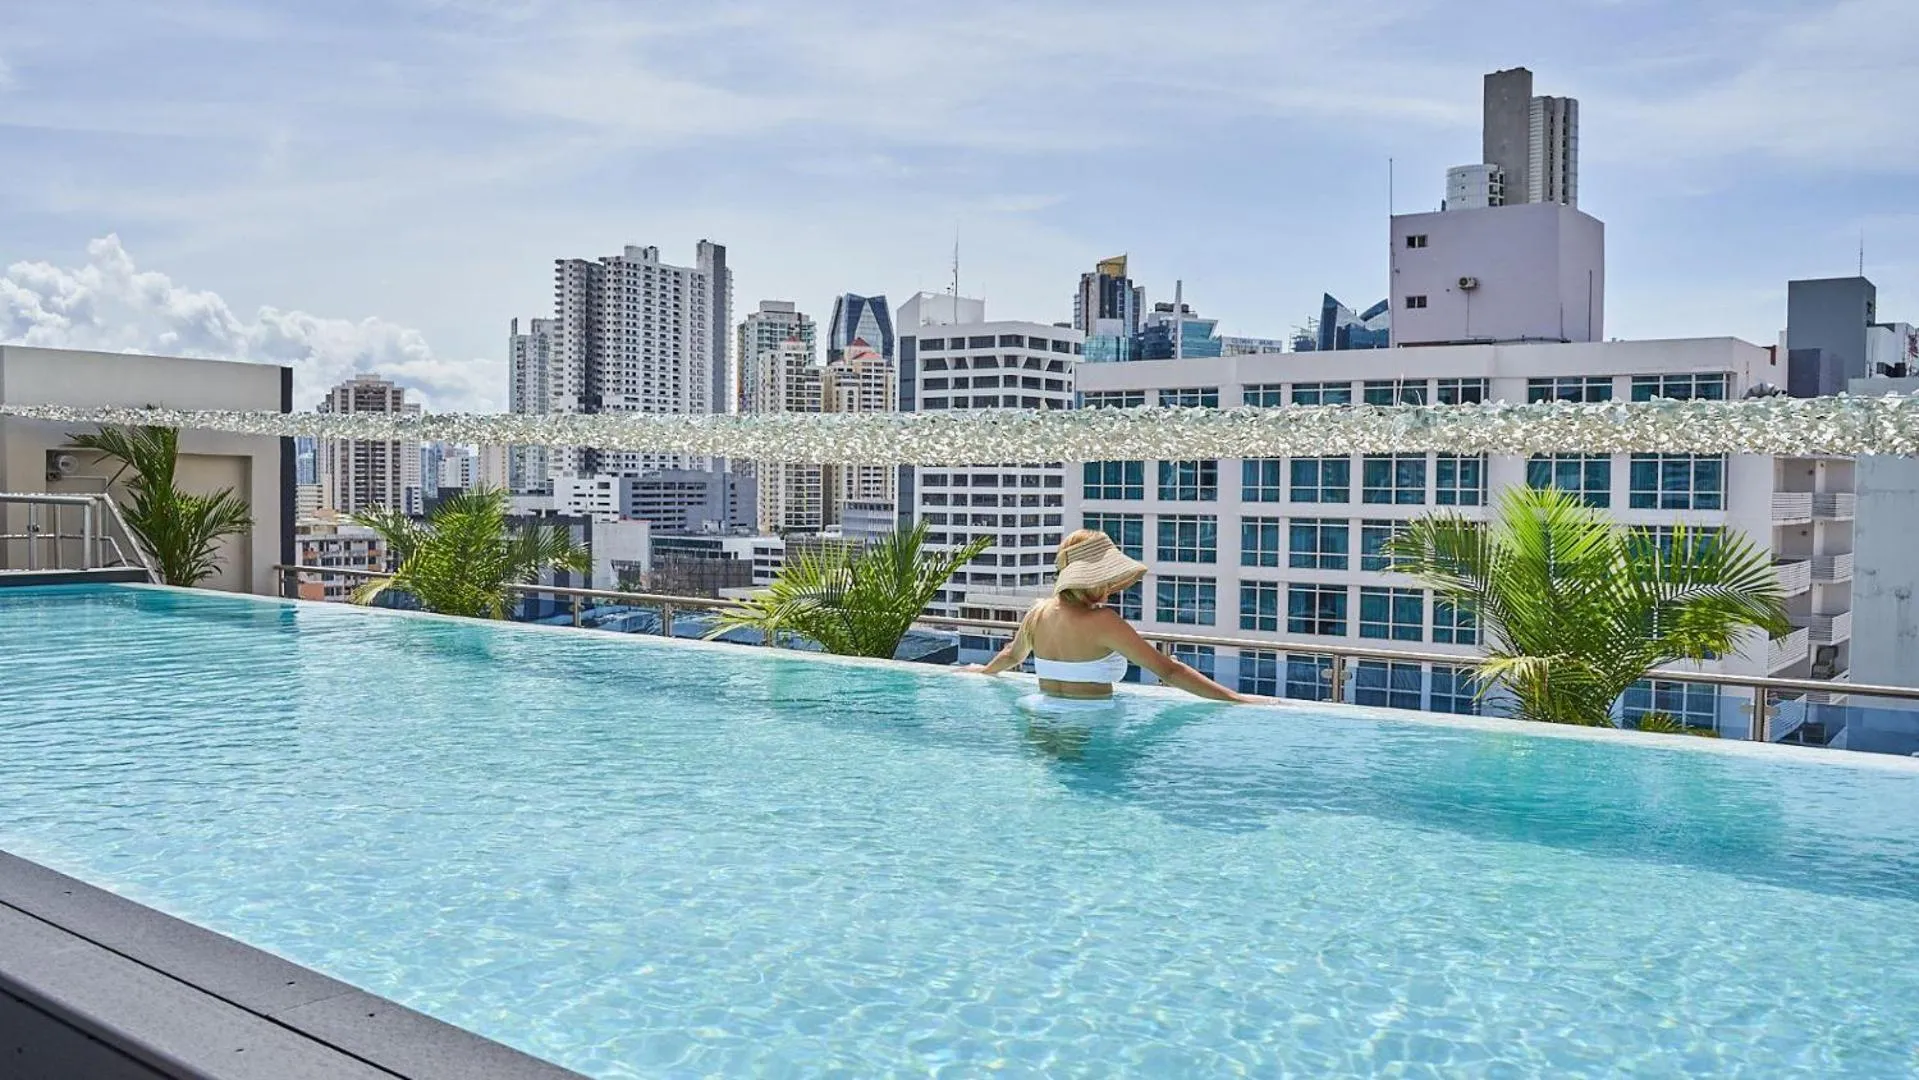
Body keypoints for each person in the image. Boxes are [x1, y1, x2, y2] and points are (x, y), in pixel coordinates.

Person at [962, 529, 1273, 704]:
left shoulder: (1037, 612)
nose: (1110, 586)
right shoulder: (1103, 621)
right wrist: (1238, 699)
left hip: (1042, 724)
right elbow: (1169, 671)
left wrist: (983, 672)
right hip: (1089, 729)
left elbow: (1011, 655)